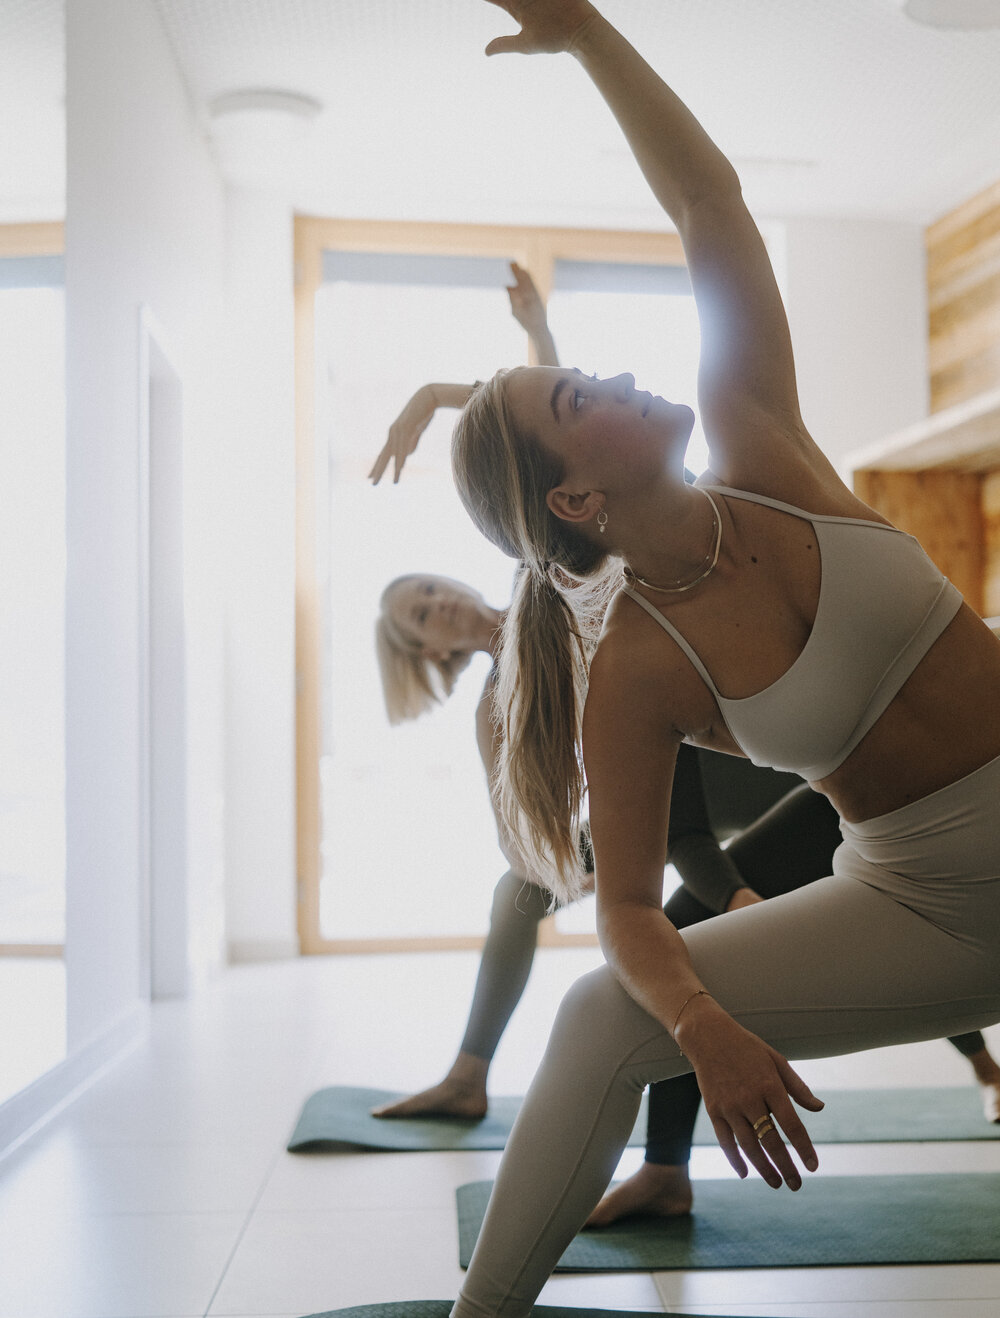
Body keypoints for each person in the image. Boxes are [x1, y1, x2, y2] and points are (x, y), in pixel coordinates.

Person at [433, 3, 1000, 1312]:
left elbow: (706, 200)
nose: (619, 373)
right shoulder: (636, 666)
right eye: (579, 399)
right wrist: (703, 1029)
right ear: (576, 500)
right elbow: (629, 904)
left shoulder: (764, 444)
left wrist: (586, 36)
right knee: (597, 1017)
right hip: (930, 903)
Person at [371, 268, 1000, 1221]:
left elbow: (558, 442)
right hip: (692, 794)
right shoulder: (536, 674)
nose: (441, 603)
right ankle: (527, 1095)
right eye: (422, 613)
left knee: (713, 921)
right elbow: (552, 461)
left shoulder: (572, 586)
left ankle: (976, 1057)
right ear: (424, 647)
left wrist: (477, 371)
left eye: (430, 587)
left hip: (760, 764)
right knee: (611, 925)